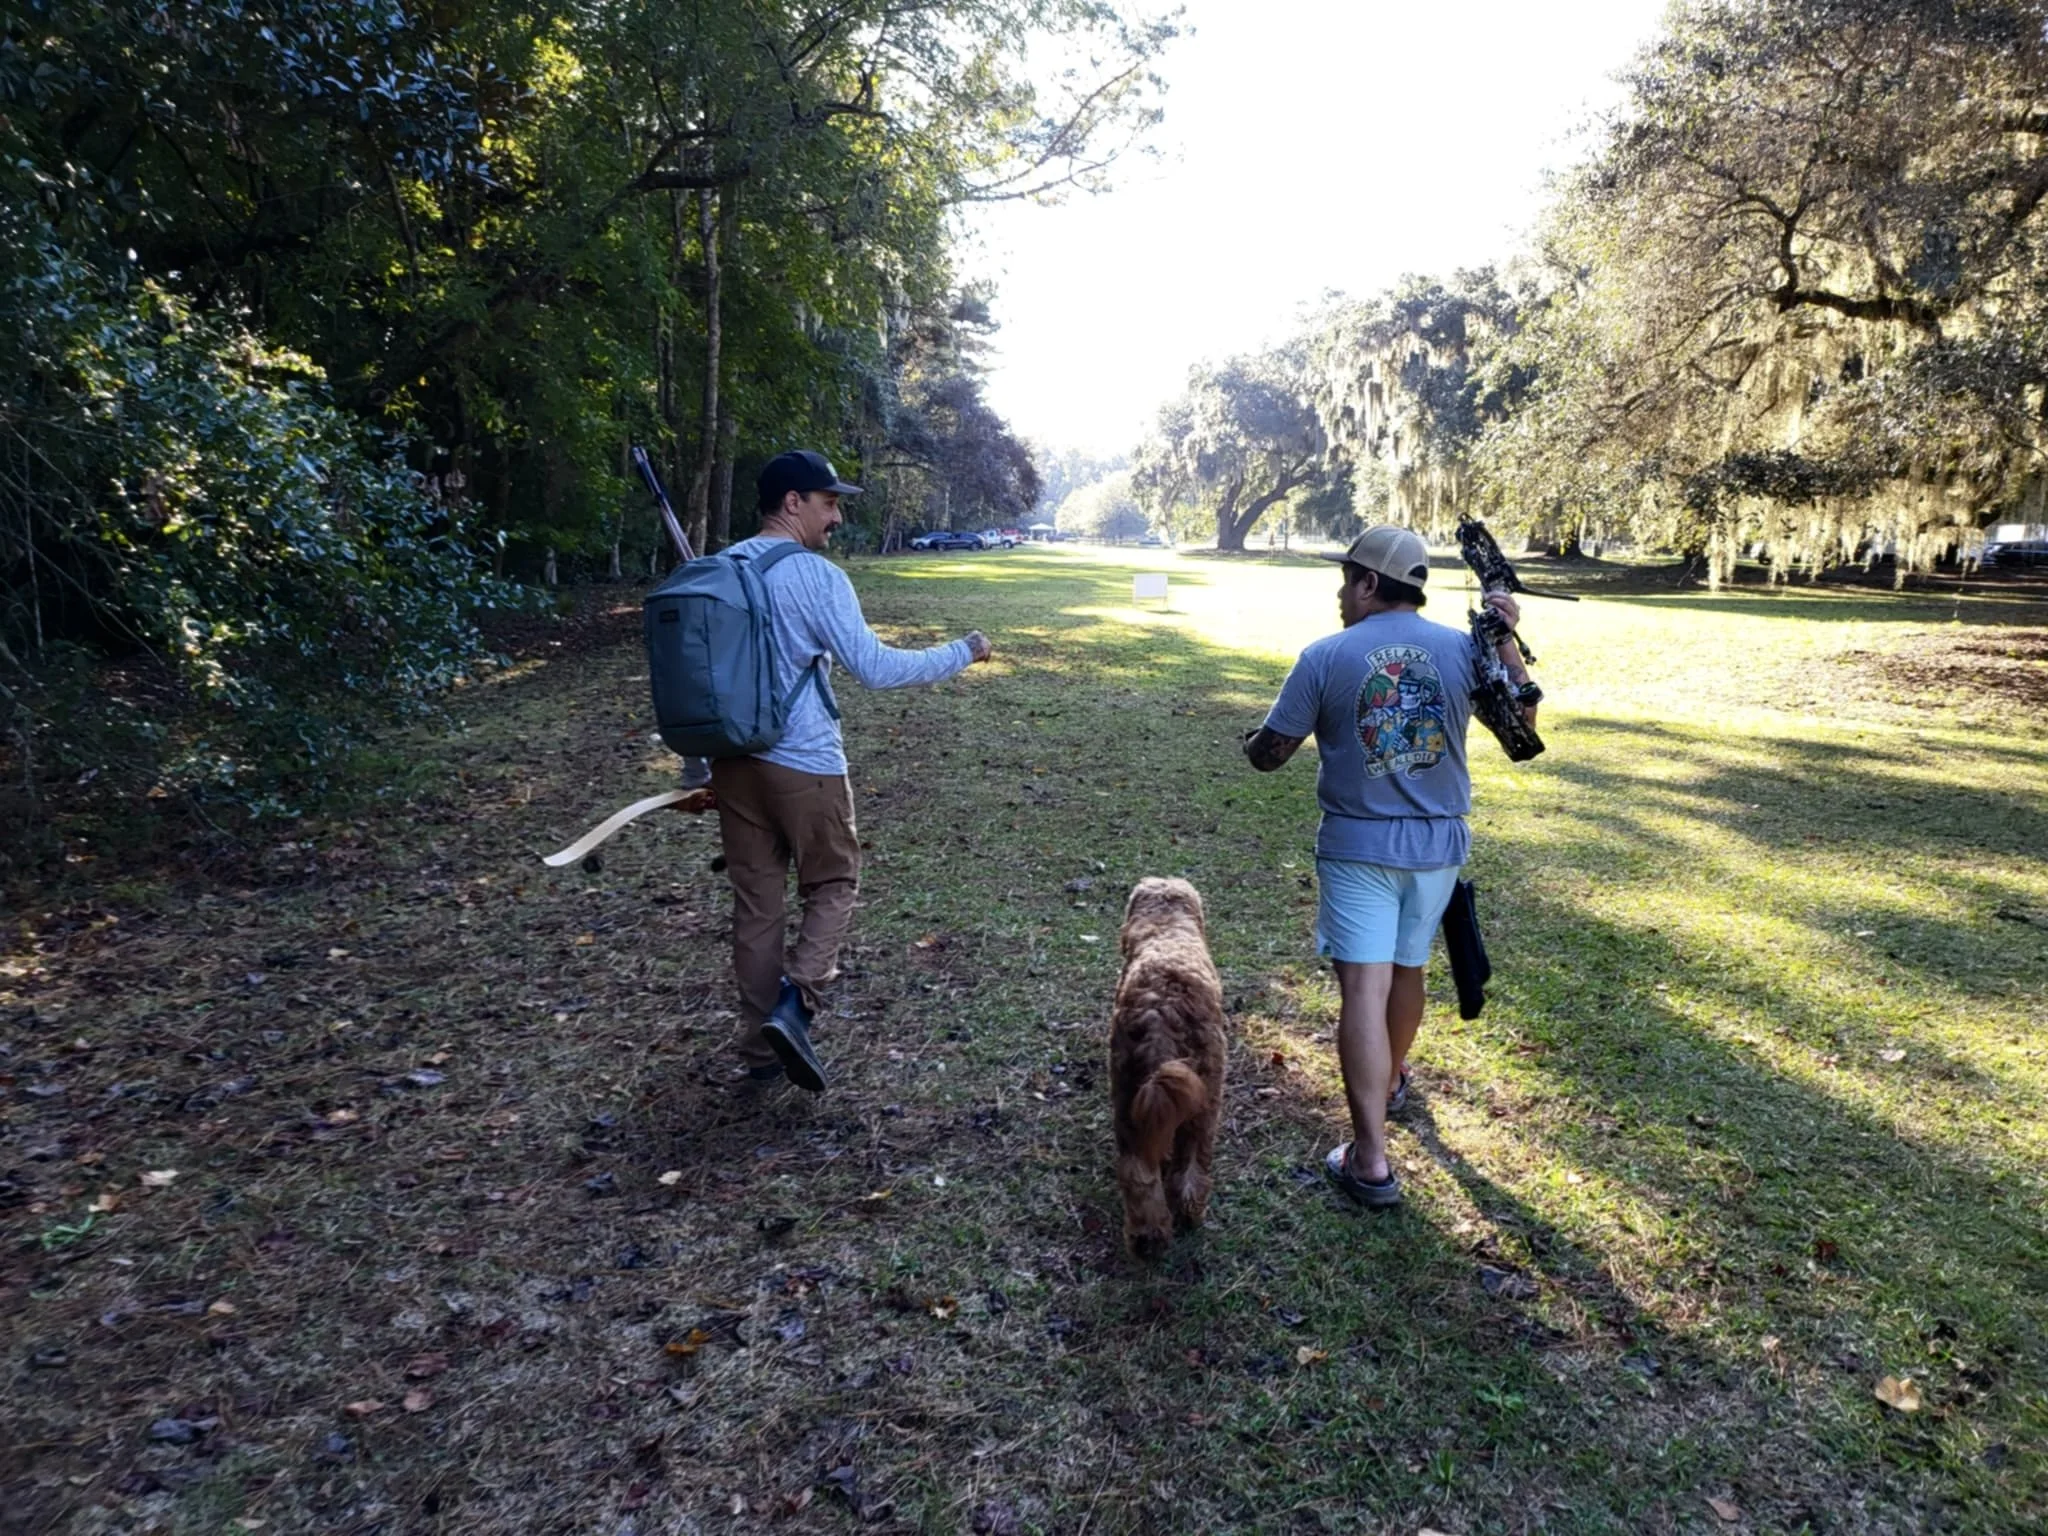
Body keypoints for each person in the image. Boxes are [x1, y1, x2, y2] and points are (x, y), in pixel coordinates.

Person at [1242, 525, 1535, 1207]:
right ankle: (1393, 1076)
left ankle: (1370, 1159)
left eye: (1346, 580)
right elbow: (1522, 729)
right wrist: (1506, 643)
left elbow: (1269, 755)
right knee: (1409, 971)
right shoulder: (1465, 650)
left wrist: (1251, 740)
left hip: (1358, 846)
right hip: (1438, 847)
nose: (1340, 594)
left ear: (1371, 584)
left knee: (1363, 993)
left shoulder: (1325, 654)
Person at [711, 450, 991, 1093]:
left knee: (757, 910)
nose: (835, 516)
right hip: (804, 764)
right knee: (834, 883)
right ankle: (795, 1005)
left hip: (732, 766)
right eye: (828, 501)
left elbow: (699, 681)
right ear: (792, 503)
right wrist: (964, 650)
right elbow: (876, 669)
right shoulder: (814, 576)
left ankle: (758, 1060)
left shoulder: (717, 569)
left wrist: (702, 769)